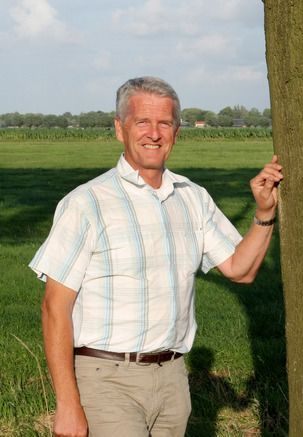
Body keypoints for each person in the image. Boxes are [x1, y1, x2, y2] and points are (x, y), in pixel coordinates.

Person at [30, 76, 283, 437]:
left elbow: (240, 270)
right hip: (106, 379)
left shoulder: (192, 197)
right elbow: (54, 307)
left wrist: (264, 213)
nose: (154, 133)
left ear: (176, 131)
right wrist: (68, 404)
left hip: (172, 380)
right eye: (142, 122)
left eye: (164, 123)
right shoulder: (86, 203)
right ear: (120, 129)